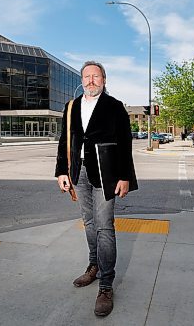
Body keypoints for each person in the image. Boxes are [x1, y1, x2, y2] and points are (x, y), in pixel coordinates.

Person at [55, 61, 137, 317]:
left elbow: (125, 144)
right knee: (88, 223)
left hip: (106, 174)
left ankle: (106, 285)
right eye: (87, 76)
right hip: (79, 173)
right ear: (82, 80)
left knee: (104, 225)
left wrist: (124, 176)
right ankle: (94, 266)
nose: (91, 80)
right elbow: (64, 141)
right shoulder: (71, 107)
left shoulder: (115, 107)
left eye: (96, 76)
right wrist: (61, 171)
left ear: (104, 79)